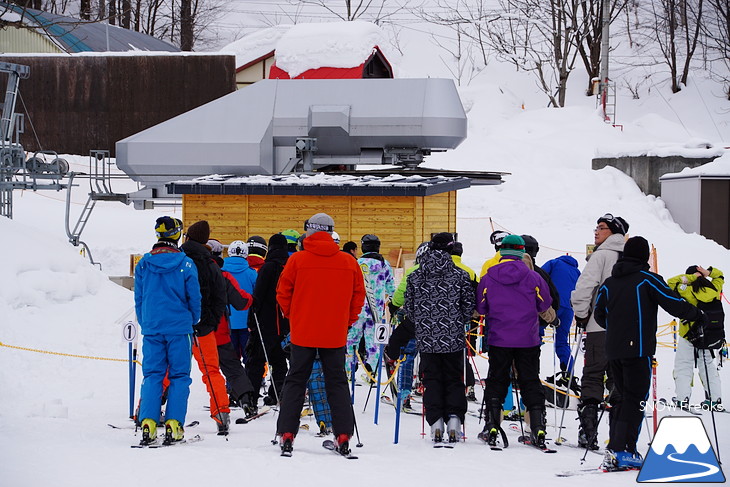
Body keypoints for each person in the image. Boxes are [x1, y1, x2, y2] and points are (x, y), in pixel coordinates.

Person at [594, 236, 703, 470]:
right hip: (638, 349)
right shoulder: (647, 280)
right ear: (645, 257)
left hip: (613, 349)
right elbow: (673, 303)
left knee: (622, 397)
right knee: (635, 400)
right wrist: (698, 315)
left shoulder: (609, 283)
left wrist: (617, 328)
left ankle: (616, 447)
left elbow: (599, 314)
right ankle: (624, 451)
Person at [276, 213, 365, 456]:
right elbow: (358, 297)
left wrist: (294, 316)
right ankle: (343, 434)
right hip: (334, 333)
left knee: (295, 381)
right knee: (336, 382)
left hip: (303, 332)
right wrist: (346, 321)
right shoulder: (348, 262)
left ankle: (286, 433)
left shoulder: (297, 261)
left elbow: (282, 293)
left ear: (310, 232)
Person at [476, 235, 553, 448]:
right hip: (528, 339)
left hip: (499, 338)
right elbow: (544, 303)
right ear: (521, 252)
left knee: (497, 380)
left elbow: (481, 307)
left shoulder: (488, 277)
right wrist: (552, 318)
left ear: (502, 252)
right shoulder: (533, 277)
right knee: (530, 380)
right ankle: (537, 426)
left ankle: (492, 425)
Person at [134, 216, 201, 445]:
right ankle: (174, 424)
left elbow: (139, 297)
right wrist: (193, 320)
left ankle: (148, 423)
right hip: (179, 328)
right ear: (176, 235)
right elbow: (194, 297)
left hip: (152, 327)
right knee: (179, 376)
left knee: (152, 375)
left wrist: (145, 322)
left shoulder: (143, 264)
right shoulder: (186, 263)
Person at [404, 232, 475, 443]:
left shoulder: (414, 276)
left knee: (431, 379)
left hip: (427, 338)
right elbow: (468, 306)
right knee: (454, 379)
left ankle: (435, 421)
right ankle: (454, 419)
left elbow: (409, 307)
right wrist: (456, 321)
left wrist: (424, 323)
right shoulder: (461, 275)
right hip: (453, 337)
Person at [571, 213, 628, 450]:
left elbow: (584, 287)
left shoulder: (601, 255)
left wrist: (582, 314)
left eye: (601, 228)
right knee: (618, 379)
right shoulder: (630, 257)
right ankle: (618, 434)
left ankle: (588, 433)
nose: (596, 231)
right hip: (626, 330)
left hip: (599, 326)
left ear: (613, 232)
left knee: (593, 375)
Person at [180, 220, 231, 434]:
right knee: (211, 371)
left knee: (166, 371)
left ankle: (148, 411)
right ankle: (221, 414)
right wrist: (210, 321)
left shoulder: (179, 260)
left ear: (188, 237)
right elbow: (221, 297)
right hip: (204, 328)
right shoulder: (211, 264)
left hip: (180, 327)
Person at [207, 239, 257, 417]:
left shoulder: (188, 269)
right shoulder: (222, 276)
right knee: (233, 365)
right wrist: (252, 300)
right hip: (221, 329)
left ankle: (154, 404)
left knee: (175, 369)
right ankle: (244, 399)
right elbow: (242, 300)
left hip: (189, 330)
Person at [668, 265, 725, 410]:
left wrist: (691, 278)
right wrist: (708, 273)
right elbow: (720, 276)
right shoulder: (714, 288)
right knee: (707, 367)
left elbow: (670, 283)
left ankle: (682, 398)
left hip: (688, 335)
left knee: (683, 366)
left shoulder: (686, 290)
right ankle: (715, 399)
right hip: (708, 336)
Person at [246, 234, 290, 407]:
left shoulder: (268, 267)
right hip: (285, 322)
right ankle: (277, 394)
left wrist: (252, 320)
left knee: (256, 361)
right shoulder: (290, 266)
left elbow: (258, 296)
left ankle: (250, 398)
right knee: (279, 361)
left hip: (265, 322)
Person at [346, 234, 396, 380]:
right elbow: (391, 288)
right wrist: (393, 304)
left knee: (351, 340)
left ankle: (349, 369)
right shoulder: (384, 264)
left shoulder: (357, 263)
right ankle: (371, 371)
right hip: (376, 310)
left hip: (357, 309)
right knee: (373, 342)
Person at [541, 252, 581, 385]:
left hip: (553, 305)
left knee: (536, 334)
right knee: (562, 342)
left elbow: (539, 276)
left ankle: (529, 368)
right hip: (569, 309)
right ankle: (568, 374)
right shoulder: (577, 271)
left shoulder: (554, 263)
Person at [450, 241, 480, 402]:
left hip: (443, 318)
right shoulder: (469, 271)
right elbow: (477, 295)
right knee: (462, 353)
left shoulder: (444, 269)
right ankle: (470, 386)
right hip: (463, 319)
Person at [223, 241, 258, 363]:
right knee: (249, 355)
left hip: (227, 323)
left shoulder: (221, 272)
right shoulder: (252, 273)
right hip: (247, 323)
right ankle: (251, 380)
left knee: (231, 359)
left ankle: (232, 381)